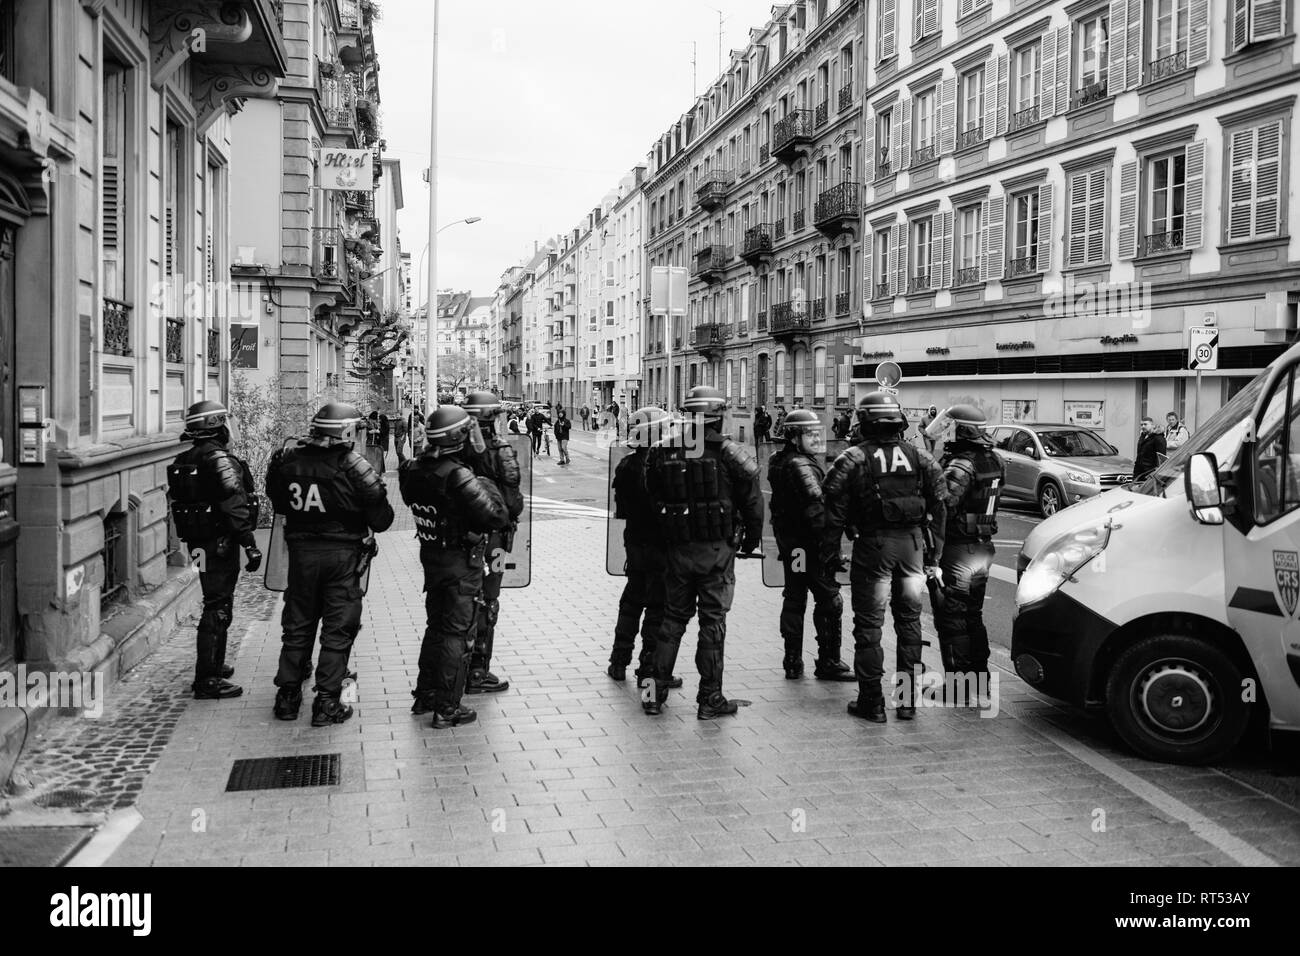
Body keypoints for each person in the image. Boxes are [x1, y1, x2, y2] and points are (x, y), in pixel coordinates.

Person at [266, 402, 394, 726]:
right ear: (348, 432)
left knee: (297, 625)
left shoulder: (287, 460)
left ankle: (287, 697)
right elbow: (382, 520)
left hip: (300, 554)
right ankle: (327, 703)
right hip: (342, 557)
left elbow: (277, 501)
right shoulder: (355, 466)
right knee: (338, 629)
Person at [822, 392, 946, 723]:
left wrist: (831, 554)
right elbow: (941, 501)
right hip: (913, 547)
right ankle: (907, 702)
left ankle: (872, 703)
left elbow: (831, 509)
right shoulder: (919, 457)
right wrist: (935, 554)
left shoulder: (853, 458)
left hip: (874, 548)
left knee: (869, 625)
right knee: (909, 623)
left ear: (864, 423)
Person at [645, 385, 764, 719]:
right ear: (719, 415)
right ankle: (710, 699)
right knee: (713, 623)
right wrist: (750, 542)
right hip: (717, 553)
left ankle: (654, 694)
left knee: (671, 620)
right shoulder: (730, 452)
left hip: (678, 550)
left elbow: (651, 495)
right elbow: (754, 504)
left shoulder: (663, 450)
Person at [400, 406, 509, 727]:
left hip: (432, 557)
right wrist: (485, 480)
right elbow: (496, 516)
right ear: (458, 436)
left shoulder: (414, 469)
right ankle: (448, 707)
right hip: (461, 562)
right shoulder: (458, 475)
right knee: (456, 634)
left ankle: (426, 694)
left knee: (436, 627)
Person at [167, 400, 261, 700]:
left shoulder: (186, 457)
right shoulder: (217, 459)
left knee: (213, 601)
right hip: (220, 543)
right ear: (215, 425)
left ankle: (213, 665)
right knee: (218, 606)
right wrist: (249, 543)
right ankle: (207, 679)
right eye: (225, 423)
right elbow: (234, 503)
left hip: (199, 545)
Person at [767, 409, 853, 682]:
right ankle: (828, 661)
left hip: (792, 545)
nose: (818, 439)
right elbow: (817, 508)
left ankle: (792, 661)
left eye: (819, 433)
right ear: (794, 437)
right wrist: (832, 550)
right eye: (810, 434)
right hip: (809, 545)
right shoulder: (800, 464)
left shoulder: (778, 460)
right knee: (829, 599)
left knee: (795, 596)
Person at [928, 404, 1004, 701]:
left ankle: (959, 685)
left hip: (959, 548)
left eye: (948, 425)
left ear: (960, 429)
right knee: (973, 615)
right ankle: (979, 680)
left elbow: (944, 504)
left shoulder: (962, 464)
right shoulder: (993, 459)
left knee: (953, 616)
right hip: (982, 546)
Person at [608, 406, 682, 690]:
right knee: (657, 607)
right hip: (659, 545)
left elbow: (623, 510)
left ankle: (618, 661)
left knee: (631, 601)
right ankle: (648, 668)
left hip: (634, 542)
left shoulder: (625, 464)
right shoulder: (661, 465)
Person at [463, 392, 525, 696]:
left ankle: (456, 669)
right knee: (488, 602)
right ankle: (478, 671)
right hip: (495, 539)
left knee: (460, 602)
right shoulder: (500, 450)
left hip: (461, 537)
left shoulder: (451, 448)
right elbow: (513, 503)